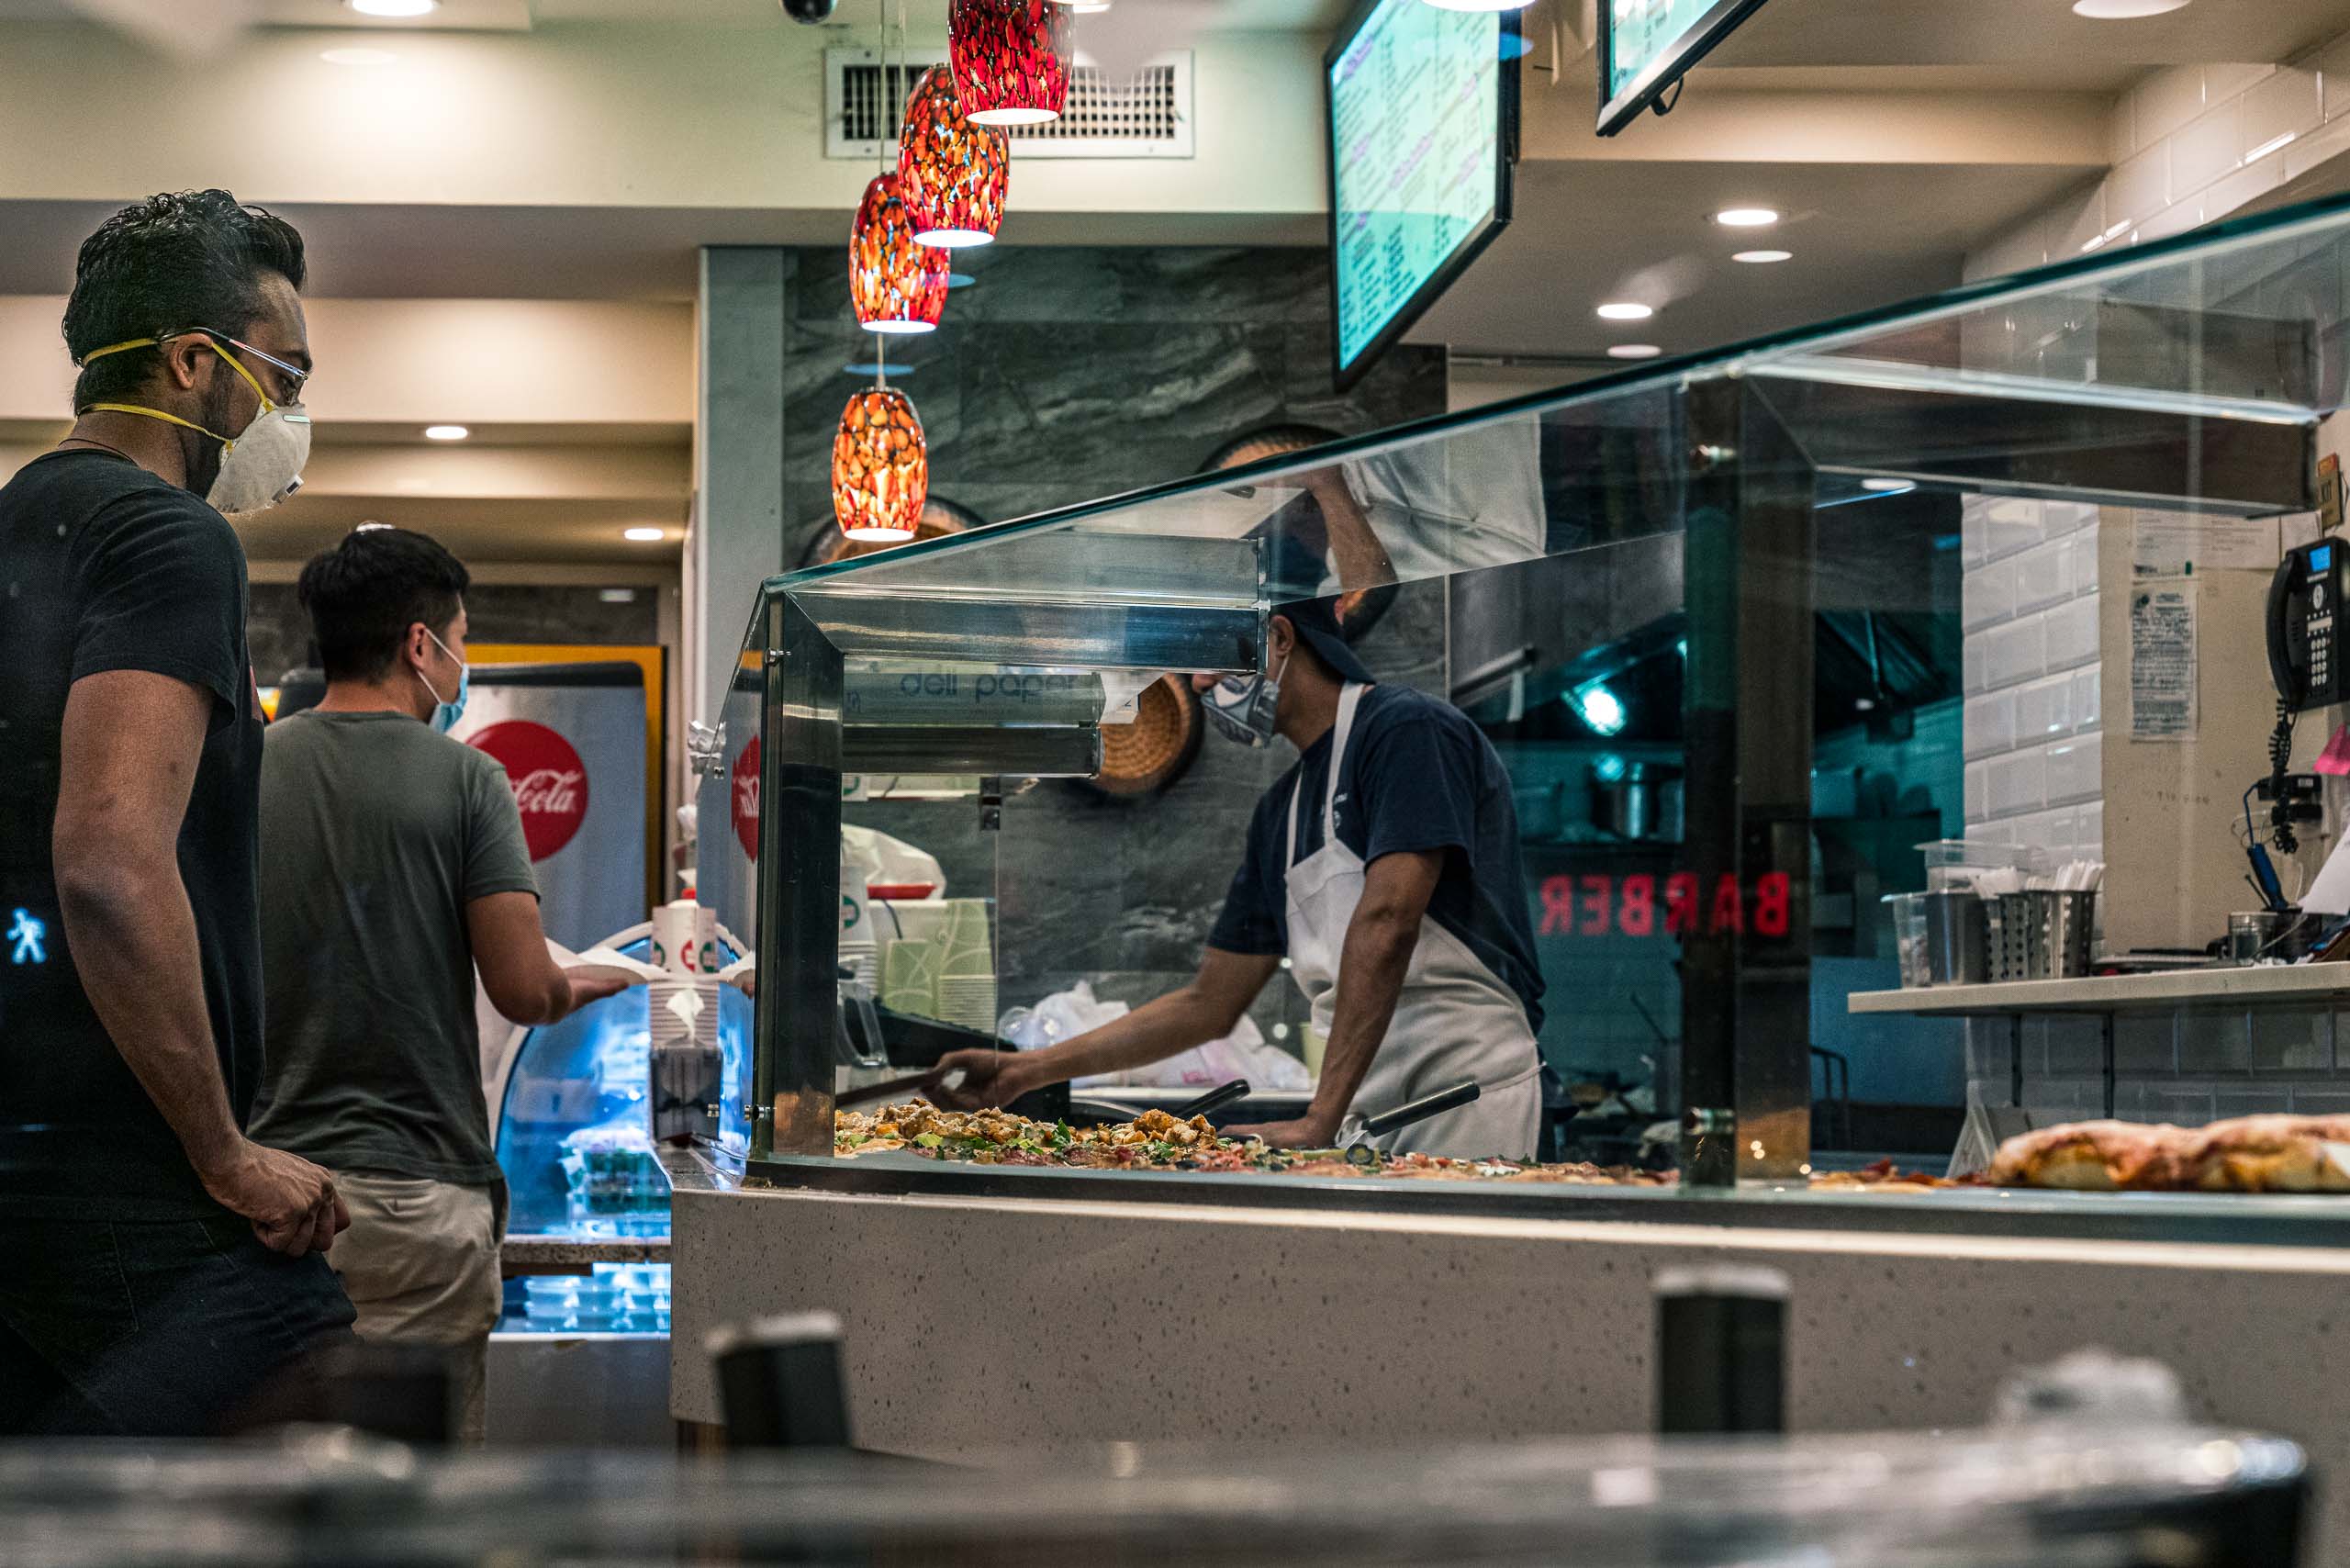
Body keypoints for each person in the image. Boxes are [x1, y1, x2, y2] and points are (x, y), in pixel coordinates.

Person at [0, 190, 355, 1435]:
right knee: (325, 1418)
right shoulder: (167, 537)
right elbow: (108, 860)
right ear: (193, 363)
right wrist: (222, 1153)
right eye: (284, 374)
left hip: (23, 1170)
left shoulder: (16, 528)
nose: (290, 412)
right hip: (130, 1181)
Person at [249, 526, 635, 1443]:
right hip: (419, 1201)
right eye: (462, 637)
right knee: (419, 1491)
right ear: (420, 644)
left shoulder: (246, 769)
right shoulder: (469, 780)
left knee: (288, 1484)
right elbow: (523, 990)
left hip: (274, 1203)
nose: (465, 659)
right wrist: (592, 981)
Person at [939, 598, 1547, 1159]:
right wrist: (1028, 1070)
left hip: (1461, 1086)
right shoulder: (1280, 812)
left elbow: (1389, 921)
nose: (1200, 684)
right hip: (1367, 1101)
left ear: (1279, 638)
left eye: (1208, 663)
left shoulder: (1407, 729)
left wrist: (1319, 1118)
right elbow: (1209, 1004)